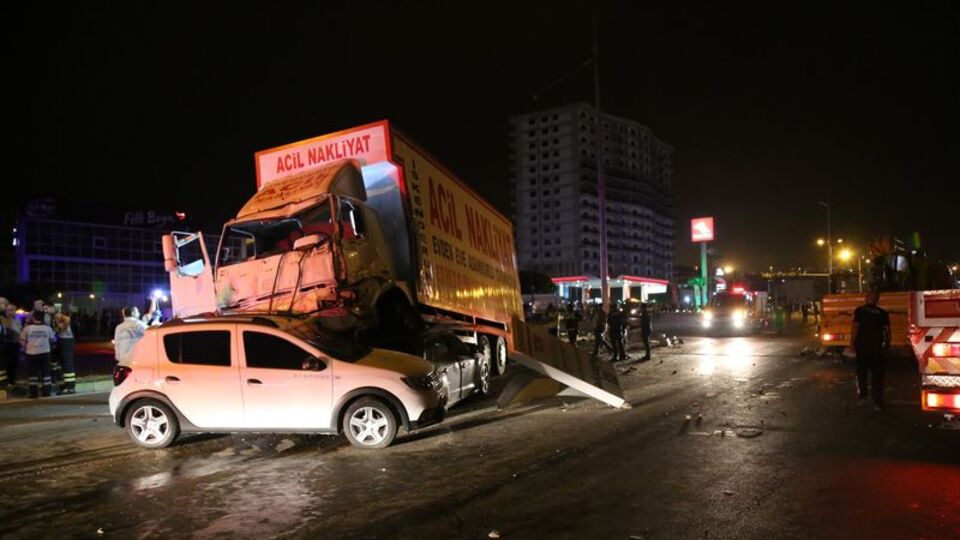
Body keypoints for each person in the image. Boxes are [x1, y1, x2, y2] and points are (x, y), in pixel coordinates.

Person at [851, 290, 890, 411]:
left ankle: (863, 396)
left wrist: (851, 343)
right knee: (877, 375)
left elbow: (855, 327)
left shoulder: (859, 311)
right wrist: (887, 344)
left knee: (861, 372)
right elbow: (887, 331)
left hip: (862, 347)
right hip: (877, 348)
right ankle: (878, 402)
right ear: (877, 300)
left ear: (866, 298)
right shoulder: (882, 313)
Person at [21, 311, 56, 398]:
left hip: (31, 353)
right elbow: (53, 340)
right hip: (45, 352)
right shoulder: (48, 328)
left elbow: (22, 341)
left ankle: (33, 393)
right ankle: (46, 392)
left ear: (33, 318)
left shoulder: (27, 328)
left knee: (33, 374)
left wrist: (24, 349)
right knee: (46, 373)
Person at [54, 306, 77, 394]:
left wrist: (56, 319)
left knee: (68, 364)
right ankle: (65, 384)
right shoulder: (63, 319)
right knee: (62, 363)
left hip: (66, 341)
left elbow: (62, 327)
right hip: (62, 341)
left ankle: (70, 386)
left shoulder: (66, 319)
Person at [2, 304, 22, 386]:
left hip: (16, 343)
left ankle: (12, 379)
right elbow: (7, 329)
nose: (12, 312)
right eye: (9, 310)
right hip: (7, 343)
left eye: (13, 310)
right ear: (6, 311)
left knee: (15, 362)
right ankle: (7, 380)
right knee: (7, 363)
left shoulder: (17, 319)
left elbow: (20, 330)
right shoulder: (3, 319)